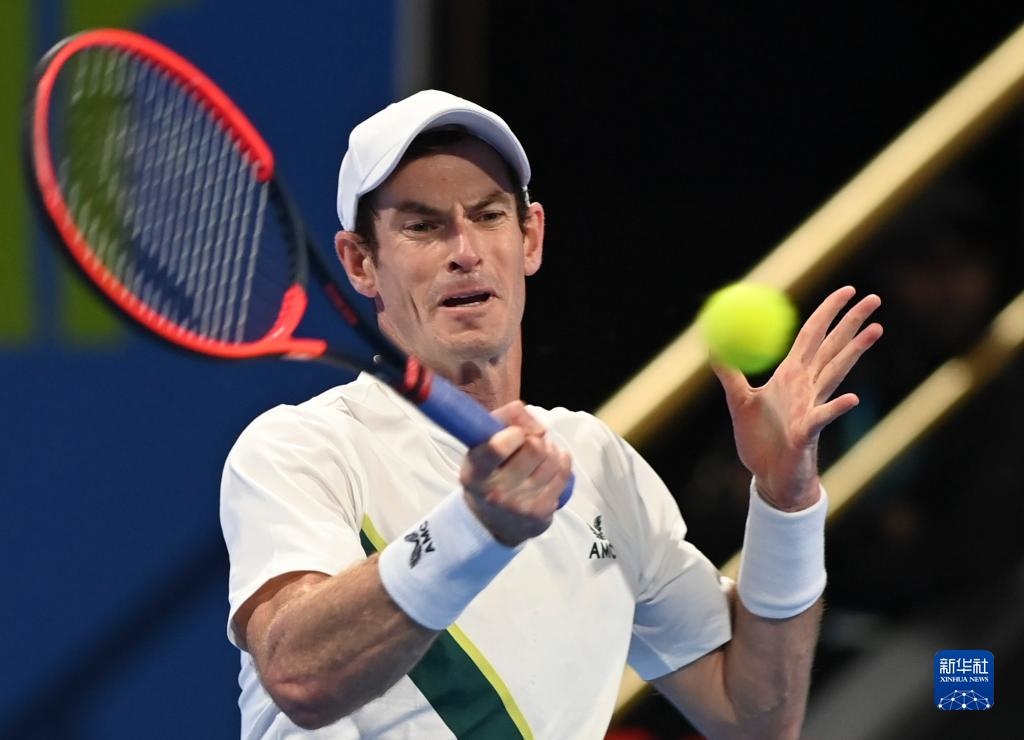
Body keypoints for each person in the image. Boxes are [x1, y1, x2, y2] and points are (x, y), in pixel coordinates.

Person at [219, 89, 883, 739]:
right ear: (360, 262)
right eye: (423, 226)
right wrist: (473, 526)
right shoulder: (301, 448)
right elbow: (299, 675)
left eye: (488, 216)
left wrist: (787, 502)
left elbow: (756, 718)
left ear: (530, 236)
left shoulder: (597, 463)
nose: (464, 251)